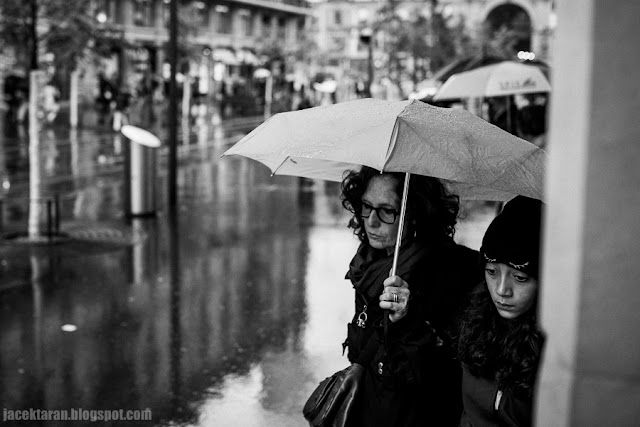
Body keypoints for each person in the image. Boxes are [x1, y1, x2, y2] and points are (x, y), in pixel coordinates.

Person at [340, 166, 480, 426]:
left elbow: (446, 376)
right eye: (367, 206)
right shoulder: (367, 266)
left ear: (414, 213)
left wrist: (408, 319)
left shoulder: (455, 272)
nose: (371, 220)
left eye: (387, 211)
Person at [456, 196, 545, 427]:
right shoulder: (477, 323)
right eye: (492, 271)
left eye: (520, 277)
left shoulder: (560, 349)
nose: (502, 290)